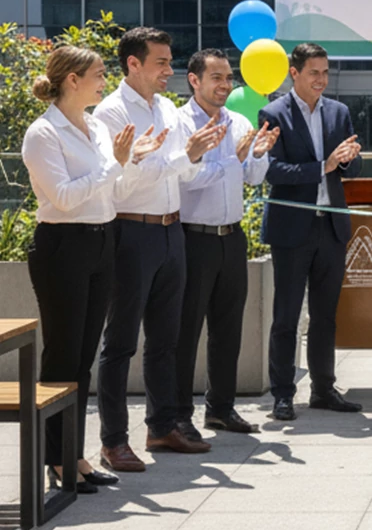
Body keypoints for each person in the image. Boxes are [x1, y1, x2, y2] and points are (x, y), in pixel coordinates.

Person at [21, 46, 165, 493]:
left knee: (82, 359)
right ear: (71, 80)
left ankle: (75, 455)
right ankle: (54, 458)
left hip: (102, 240)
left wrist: (132, 158)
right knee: (62, 355)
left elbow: (110, 185)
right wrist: (114, 164)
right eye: (99, 74)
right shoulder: (43, 133)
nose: (105, 80)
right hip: (64, 245)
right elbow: (64, 197)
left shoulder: (95, 127)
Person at [93, 28, 227, 472]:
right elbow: (122, 182)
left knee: (166, 340)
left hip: (172, 231)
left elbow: (179, 175)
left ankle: (161, 425)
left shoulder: (166, 107)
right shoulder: (112, 112)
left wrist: (192, 156)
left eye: (171, 62)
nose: (170, 71)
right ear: (133, 64)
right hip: (133, 232)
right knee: (121, 343)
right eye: (161, 63)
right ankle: (113, 440)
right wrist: (180, 157)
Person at [174, 49, 280, 441]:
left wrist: (259, 155)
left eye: (228, 77)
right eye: (216, 77)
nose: (225, 85)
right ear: (194, 80)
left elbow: (249, 178)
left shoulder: (237, 120)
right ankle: (179, 415)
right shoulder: (180, 122)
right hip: (192, 238)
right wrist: (234, 161)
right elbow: (187, 178)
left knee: (228, 328)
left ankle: (221, 408)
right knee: (186, 331)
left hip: (232, 237)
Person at [258, 42, 363, 421]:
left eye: (325, 72)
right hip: (292, 229)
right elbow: (274, 172)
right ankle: (283, 395)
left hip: (331, 225)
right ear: (294, 73)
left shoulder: (339, 112)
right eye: (314, 72)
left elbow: (351, 167)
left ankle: (323, 389)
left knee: (325, 315)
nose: (321, 79)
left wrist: (349, 160)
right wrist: (324, 165)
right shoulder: (273, 113)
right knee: (286, 315)